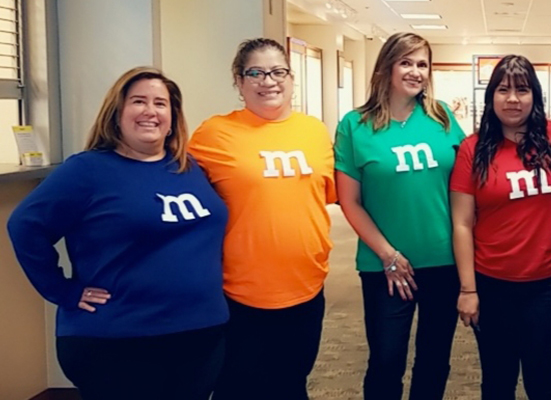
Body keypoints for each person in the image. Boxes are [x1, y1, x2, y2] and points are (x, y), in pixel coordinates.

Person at [7, 67, 228, 400]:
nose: (150, 111)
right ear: (117, 113)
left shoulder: (189, 167)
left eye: (161, 103)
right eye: (138, 101)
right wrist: (62, 291)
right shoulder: (87, 170)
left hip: (200, 333)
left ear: (173, 116)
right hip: (118, 340)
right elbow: (25, 226)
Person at [188, 38, 337, 400]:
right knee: (239, 386)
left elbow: (327, 195)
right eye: (255, 72)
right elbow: (174, 187)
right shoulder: (214, 133)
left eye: (278, 71)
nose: (268, 81)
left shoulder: (314, 131)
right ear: (239, 82)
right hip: (240, 293)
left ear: (291, 78)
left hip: (306, 287)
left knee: (292, 383)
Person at [334, 32, 465, 400]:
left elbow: (465, 185)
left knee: (435, 358)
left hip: (443, 260)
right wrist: (389, 256)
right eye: (406, 62)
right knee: (386, 360)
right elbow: (350, 202)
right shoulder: (355, 125)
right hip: (385, 267)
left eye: (422, 64)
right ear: (387, 67)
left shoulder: (442, 118)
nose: (415, 72)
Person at [450, 55, 551, 400]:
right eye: (503, 90)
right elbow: (461, 223)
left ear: (534, 95)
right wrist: (467, 289)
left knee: (545, 381)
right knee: (497, 381)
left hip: (548, 285)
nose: (512, 99)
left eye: (522, 90)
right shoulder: (472, 150)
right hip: (491, 285)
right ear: (491, 96)